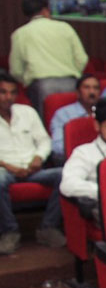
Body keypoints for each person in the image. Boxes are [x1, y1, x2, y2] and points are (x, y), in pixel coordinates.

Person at [0, 73, 66, 253]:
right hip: (4, 170)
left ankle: (47, 227)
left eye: (12, 93)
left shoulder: (27, 112)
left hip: (33, 168)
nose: (8, 97)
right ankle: (9, 232)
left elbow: (44, 141)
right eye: (3, 92)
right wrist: (8, 166)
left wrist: (38, 159)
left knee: (65, 174)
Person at [9, 0, 88, 116]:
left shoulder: (20, 34)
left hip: (41, 86)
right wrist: (74, 75)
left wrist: (28, 80)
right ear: (46, 10)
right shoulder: (65, 28)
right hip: (71, 84)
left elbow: (16, 70)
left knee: (46, 125)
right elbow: (82, 59)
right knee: (73, 120)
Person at [49, 73, 101, 161]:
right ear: (78, 92)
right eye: (87, 88)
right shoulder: (63, 114)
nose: (92, 92)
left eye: (95, 88)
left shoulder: (104, 111)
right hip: (75, 160)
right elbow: (58, 147)